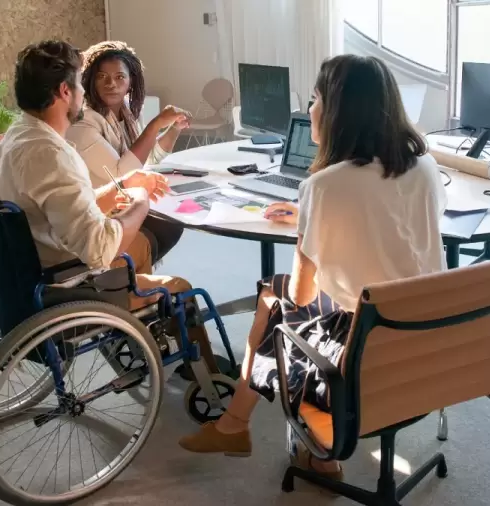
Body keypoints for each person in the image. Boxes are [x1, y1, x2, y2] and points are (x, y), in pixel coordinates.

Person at [178, 54, 447, 481]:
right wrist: (314, 215)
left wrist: (312, 219)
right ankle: (253, 431)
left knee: (274, 298)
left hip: (366, 342)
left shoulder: (323, 187)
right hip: (429, 331)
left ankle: (264, 434)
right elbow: (395, 228)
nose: (309, 110)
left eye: (316, 99)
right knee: (279, 296)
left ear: (338, 111)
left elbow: (302, 296)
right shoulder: (425, 166)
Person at [0, 39, 218, 372]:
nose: (86, 92)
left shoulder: (18, 136)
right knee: (180, 287)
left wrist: (122, 186)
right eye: (82, 83)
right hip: (67, 284)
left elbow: (64, 203)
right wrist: (137, 201)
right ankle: (209, 381)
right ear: (66, 92)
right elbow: (98, 249)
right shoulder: (54, 154)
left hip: (22, 271)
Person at [66, 40, 188, 267]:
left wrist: (173, 129)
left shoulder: (126, 114)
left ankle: (136, 280)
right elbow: (124, 173)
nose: (111, 84)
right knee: (165, 222)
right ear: (90, 80)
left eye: (119, 77)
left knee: (173, 219)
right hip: (99, 216)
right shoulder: (84, 122)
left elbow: (146, 160)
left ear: (131, 82)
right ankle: (129, 280)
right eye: (102, 76)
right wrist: (155, 125)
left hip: (122, 204)